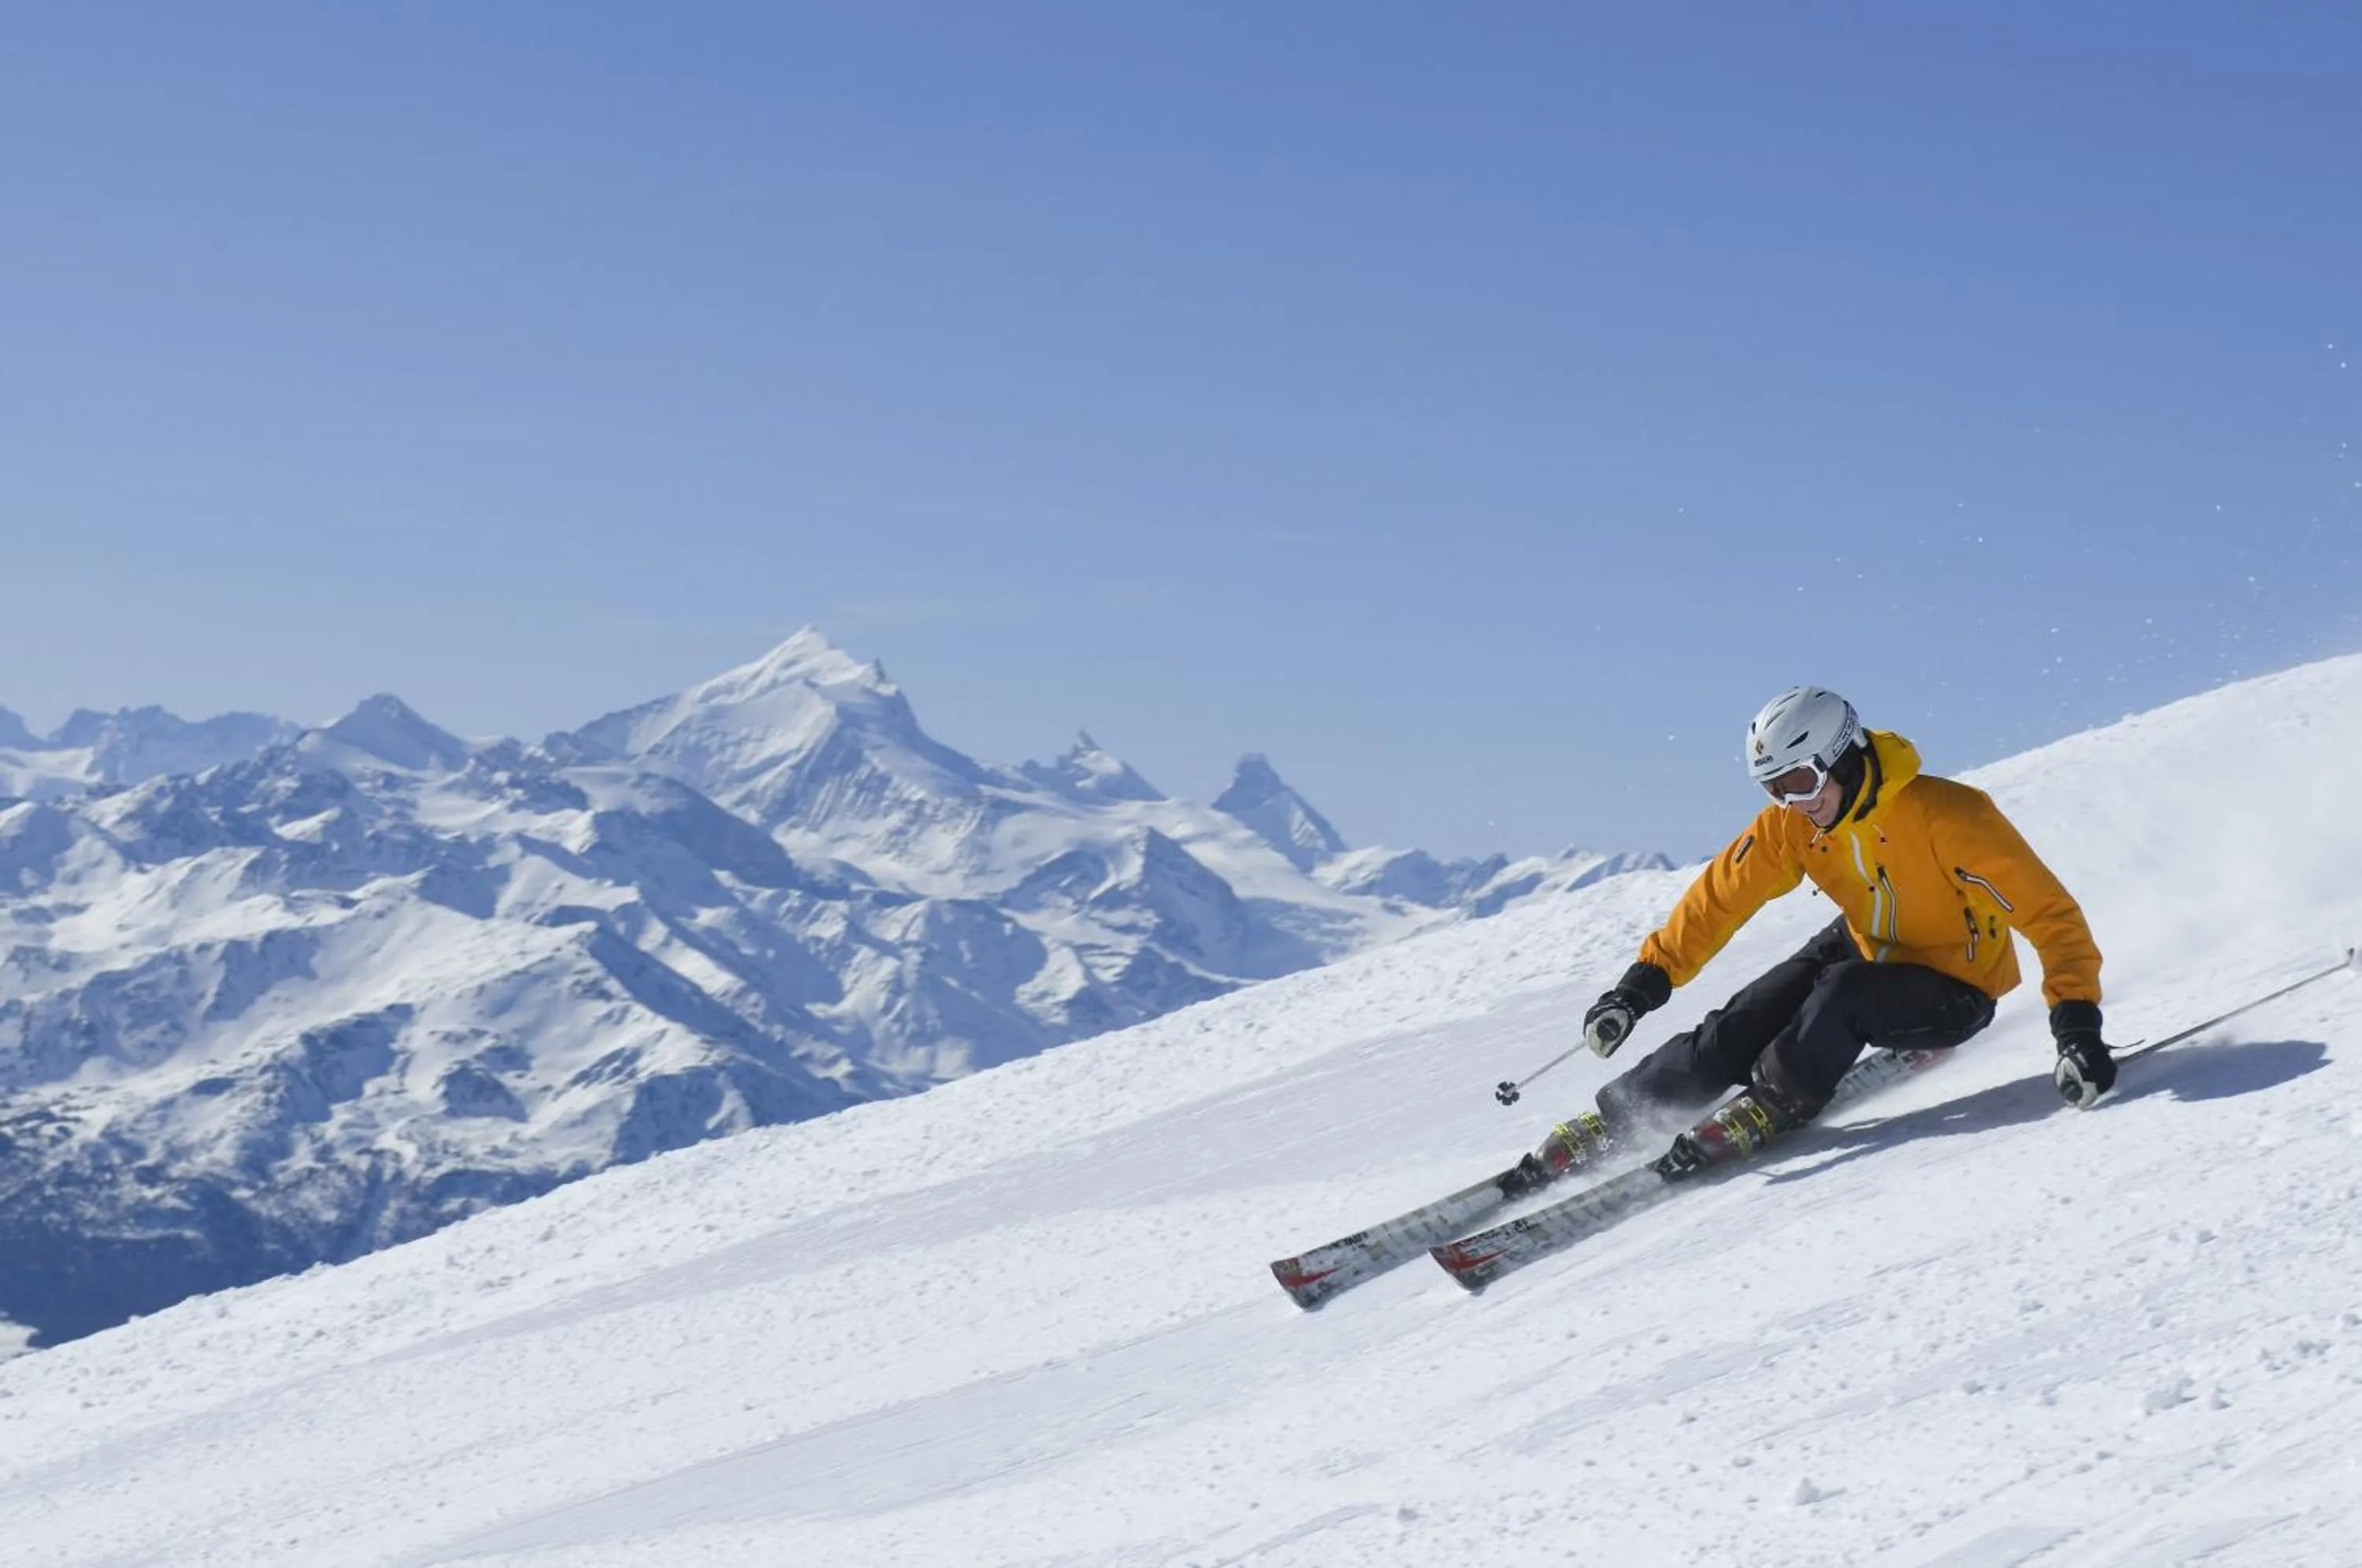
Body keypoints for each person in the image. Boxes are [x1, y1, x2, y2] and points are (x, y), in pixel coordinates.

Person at [1523, 685, 2112, 1187]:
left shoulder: (1950, 816)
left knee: (1843, 993)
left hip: (1956, 984)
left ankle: (1774, 1101)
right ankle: (1624, 1115)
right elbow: (1718, 901)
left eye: (1802, 781)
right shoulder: (1793, 825)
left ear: (1844, 755)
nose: (1794, 804)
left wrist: (2077, 1028)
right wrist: (1641, 986)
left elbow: (2050, 916)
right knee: (1751, 1012)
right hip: (1867, 942)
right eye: (1775, 789)